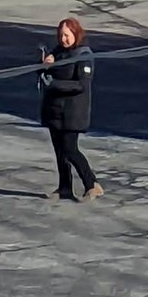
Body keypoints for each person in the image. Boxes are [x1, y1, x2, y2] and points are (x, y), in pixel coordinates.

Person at [41, 17, 100, 202]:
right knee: (59, 150)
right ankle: (64, 187)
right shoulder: (58, 52)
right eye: (61, 35)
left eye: (67, 35)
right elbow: (44, 73)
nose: (63, 39)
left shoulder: (84, 55)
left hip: (72, 112)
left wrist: (54, 84)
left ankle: (91, 184)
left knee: (70, 149)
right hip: (55, 110)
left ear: (76, 34)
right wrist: (45, 64)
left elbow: (81, 85)